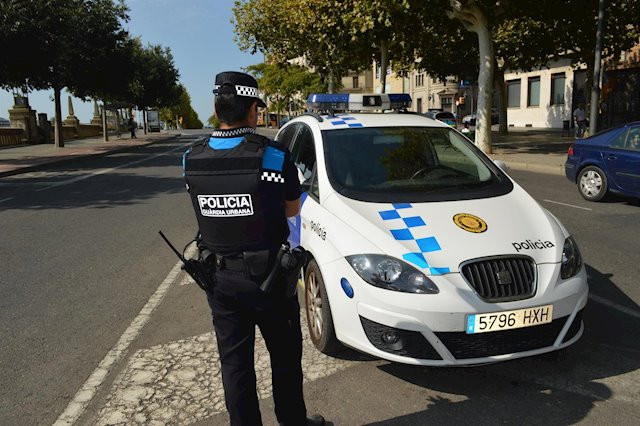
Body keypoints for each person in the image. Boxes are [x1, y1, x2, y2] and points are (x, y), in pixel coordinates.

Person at [182, 71, 325, 426]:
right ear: (252, 111)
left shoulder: (191, 158)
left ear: (217, 109)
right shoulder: (273, 156)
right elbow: (293, 209)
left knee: (235, 365)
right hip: (270, 279)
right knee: (285, 359)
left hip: (219, 280)